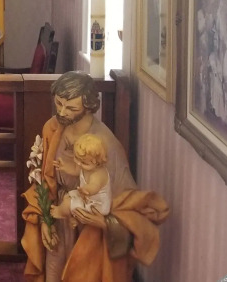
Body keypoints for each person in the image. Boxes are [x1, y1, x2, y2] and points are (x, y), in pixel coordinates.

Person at [22, 71, 168, 282]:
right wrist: (45, 220)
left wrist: (106, 222)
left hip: (90, 230)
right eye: (59, 103)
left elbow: (129, 205)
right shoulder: (53, 128)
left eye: (71, 108)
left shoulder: (105, 145)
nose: (61, 112)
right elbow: (44, 179)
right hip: (60, 220)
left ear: (88, 106)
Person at [49, 133, 111, 231]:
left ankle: (61, 212)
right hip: (87, 197)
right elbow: (75, 170)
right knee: (67, 196)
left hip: (97, 205)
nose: (78, 163)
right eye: (76, 158)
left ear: (96, 162)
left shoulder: (98, 175)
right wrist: (64, 167)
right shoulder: (86, 166)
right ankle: (73, 218)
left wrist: (86, 190)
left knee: (69, 203)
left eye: (83, 162)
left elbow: (94, 186)